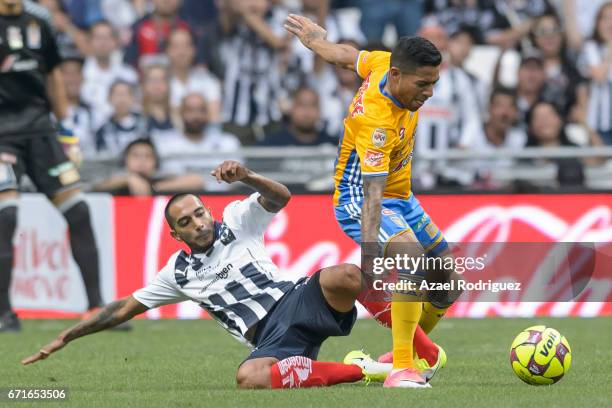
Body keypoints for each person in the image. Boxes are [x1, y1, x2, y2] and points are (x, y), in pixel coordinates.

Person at [21, 161, 390, 389]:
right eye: (186, 222)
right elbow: (121, 309)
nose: (198, 224)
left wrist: (247, 176)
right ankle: (356, 369)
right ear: (175, 235)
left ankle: (409, 353)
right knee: (248, 379)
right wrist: (66, 336)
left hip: (295, 299)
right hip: (269, 337)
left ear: (206, 209)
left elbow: (281, 197)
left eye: (199, 213)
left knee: (346, 274)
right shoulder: (177, 274)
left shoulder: (235, 218)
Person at [285, 14, 458, 388]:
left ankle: (411, 352)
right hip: (359, 197)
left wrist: (317, 42)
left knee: (447, 278)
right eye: (423, 84)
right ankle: (401, 368)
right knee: (411, 257)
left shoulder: (382, 62)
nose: (429, 93)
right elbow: (373, 194)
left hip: (401, 196)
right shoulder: (375, 122)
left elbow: (348, 56)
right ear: (397, 76)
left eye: (434, 83)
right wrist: (371, 256)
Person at [0, 0, 105, 331]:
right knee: (6, 216)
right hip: (3, 136)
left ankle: (96, 309)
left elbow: (54, 74)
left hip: (42, 133)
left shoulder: (39, 22)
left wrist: (66, 129)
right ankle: (4, 313)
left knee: (79, 211)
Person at [154, 93, 240, 192]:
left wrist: (200, 184)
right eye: (190, 110)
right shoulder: (164, 142)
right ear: (180, 112)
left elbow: (235, 181)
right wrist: (187, 184)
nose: (196, 116)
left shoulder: (228, 142)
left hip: (220, 200)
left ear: (208, 113)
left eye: (201, 110)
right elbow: (164, 178)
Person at [93, 138, 204, 195]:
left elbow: (197, 181)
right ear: (125, 160)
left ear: (155, 163)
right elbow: (96, 188)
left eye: (148, 156)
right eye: (135, 155)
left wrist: (154, 189)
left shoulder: (161, 179)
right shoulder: (116, 182)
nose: (142, 161)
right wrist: (129, 179)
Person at [260, 87, 338, 146]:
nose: (307, 112)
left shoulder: (335, 146)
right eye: (301, 105)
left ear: (320, 110)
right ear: (291, 108)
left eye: (312, 105)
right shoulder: (271, 145)